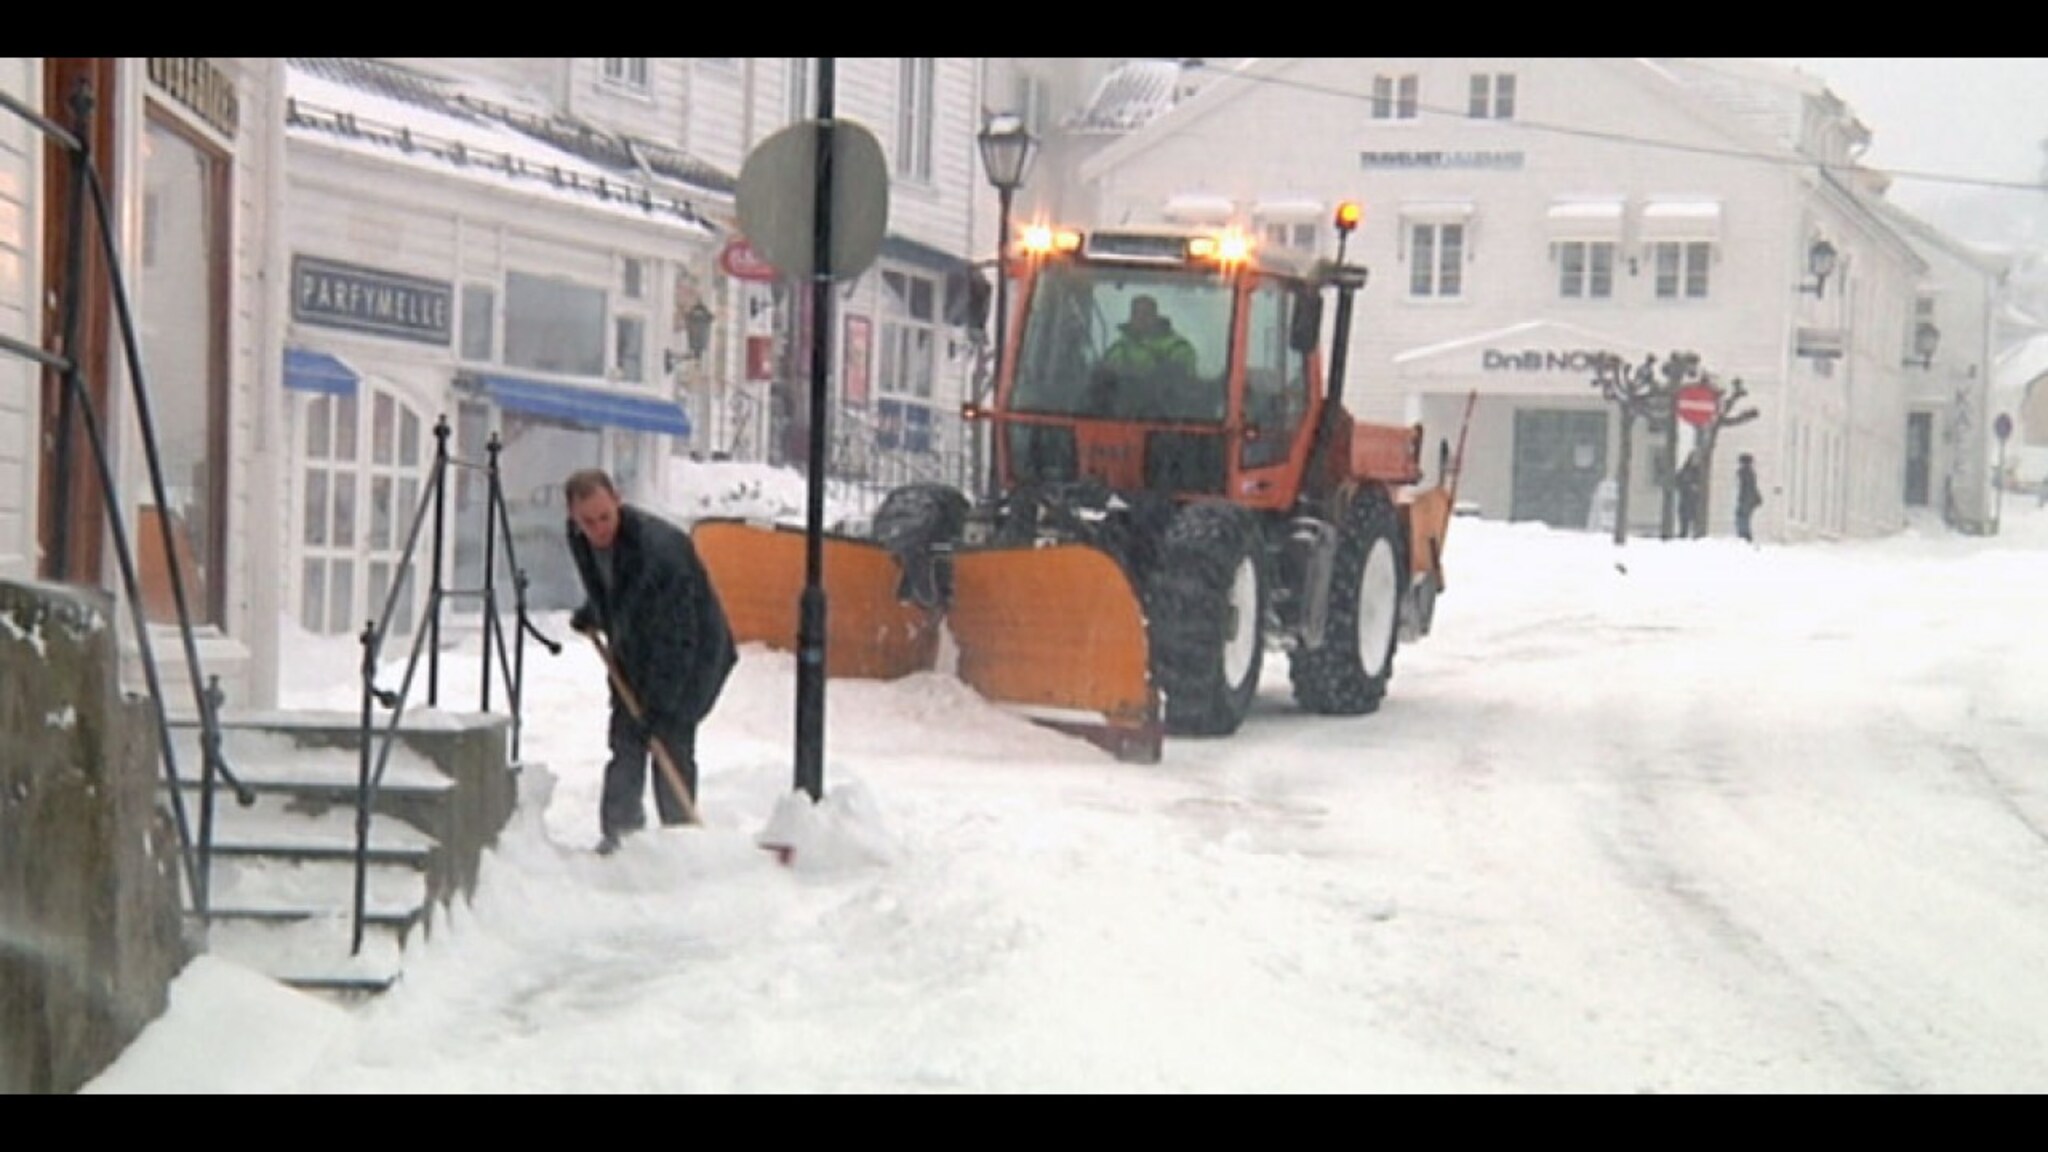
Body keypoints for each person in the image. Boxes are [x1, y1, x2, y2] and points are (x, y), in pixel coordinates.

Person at [564, 469, 738, 855]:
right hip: (637, 651)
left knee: (669, 742)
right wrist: (597, 610)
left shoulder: (660, 551)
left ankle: (680, 843)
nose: (597, 529)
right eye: (587, 521)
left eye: (604, 517)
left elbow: (678, 636)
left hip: (694, 656)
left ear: (618, 502)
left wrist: (658, 707)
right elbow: (622, 589)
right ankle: (620, 837)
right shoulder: (580, 537)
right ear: (573, 517)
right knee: (626, 740)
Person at [1092, 294, 1198, 418]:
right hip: (1117, 415)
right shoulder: (1118, 348)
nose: (1141, 318)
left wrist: (1142, 375)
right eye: (1136, 313)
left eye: (1146, 314)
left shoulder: (1177, 347)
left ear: (1156, 317)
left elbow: (1181, 376)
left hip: (1165, 419)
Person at [1735, 453, 1764, 544]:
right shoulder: (1751, 473)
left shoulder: (1744, 472)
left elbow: (1746, 488)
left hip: (1746, 499)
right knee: (1744, 517)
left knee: (1742, 516)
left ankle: (1744, 536)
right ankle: (1745, 535)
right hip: (1749, 499)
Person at [1675, 449, 1703, 539]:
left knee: (1695, 516)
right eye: (1694, 458)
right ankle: (1683, 533)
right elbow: (1679, 481)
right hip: (1685, 497)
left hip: (1694, 499)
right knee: (1684, 517)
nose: (1696, 461)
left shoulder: (1700, 471)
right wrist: (1688, 485)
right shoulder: (1685, 470)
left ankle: (1696, 533)